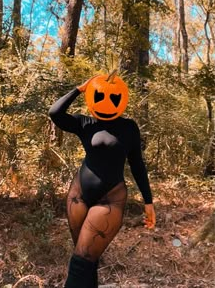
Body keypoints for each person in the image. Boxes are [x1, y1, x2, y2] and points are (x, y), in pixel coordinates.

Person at [49, 74, 156, 288]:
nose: (107, 103)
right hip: (78, 195)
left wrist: (148, 202)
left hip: (110, 199)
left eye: (114, 99)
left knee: (81, 260)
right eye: (99, 96)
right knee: (87, 258)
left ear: (122, 99)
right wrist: (80, 88)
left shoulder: (129, 127)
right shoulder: (84, 123)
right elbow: (55, 113)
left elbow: (137, 165)